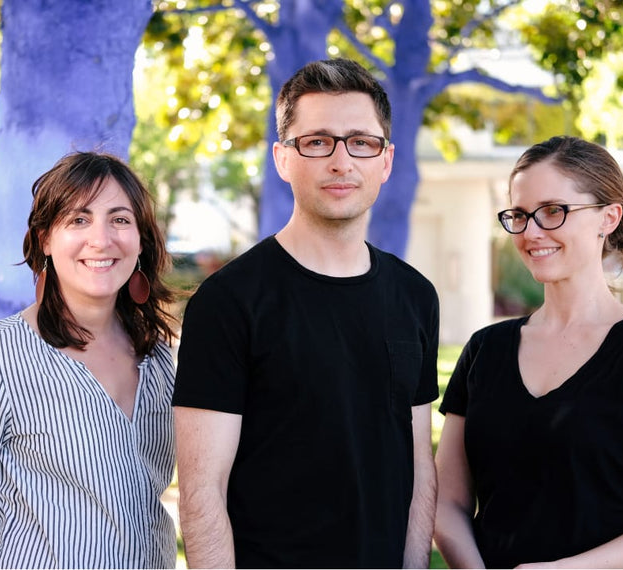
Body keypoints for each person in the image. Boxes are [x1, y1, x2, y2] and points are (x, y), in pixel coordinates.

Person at [173, 58, 440, 569]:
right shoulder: (228, 302)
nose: (341, 161)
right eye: (317, 141)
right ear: (283, 158)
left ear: (385, 161)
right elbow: (202, 492)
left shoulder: (415, 295)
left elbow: (419, 466)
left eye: (361, 142)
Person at [433, 135, 623, 569]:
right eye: (519, 214)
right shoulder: (484, 351)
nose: (531, 232)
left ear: (608, 217)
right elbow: (447, 502)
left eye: (553, 211)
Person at [0, 151, 179, 568]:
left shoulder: (156, 356)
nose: (101, 239)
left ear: (141, 239)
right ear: (45, 237)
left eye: (120, 219)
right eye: (78, 220)